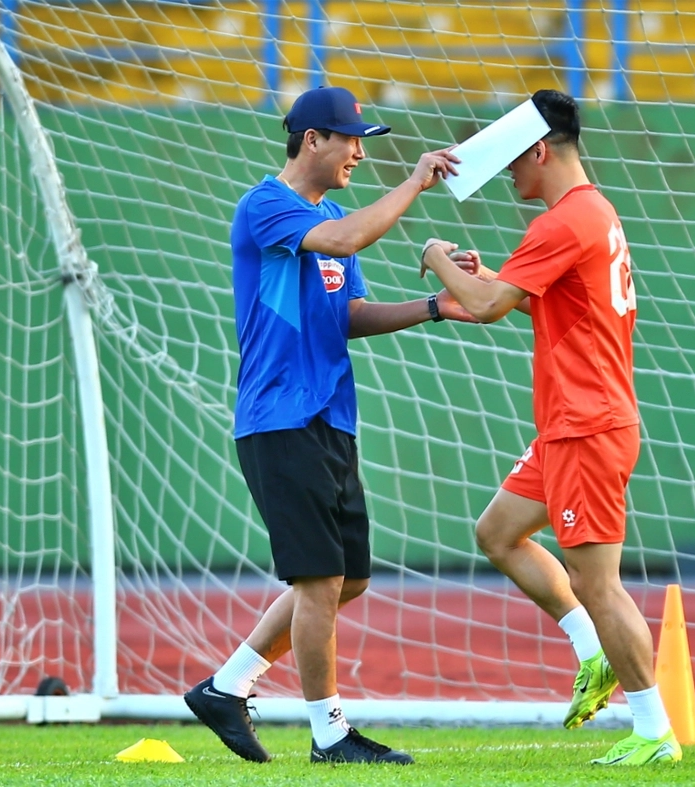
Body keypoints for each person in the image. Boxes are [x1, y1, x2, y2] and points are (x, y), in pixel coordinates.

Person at [183, 85, 478, 765]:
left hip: (330, 415)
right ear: (311, 139)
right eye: (348, 139)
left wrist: (435, 305)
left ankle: (227, 687)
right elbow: (346, 238)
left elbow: (352, 316)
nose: (356, 151)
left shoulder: (336, 216)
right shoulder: (266, 206)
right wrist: (413, 182)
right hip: (278, 414)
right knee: (316, 580)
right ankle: (329, 734)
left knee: (347, 579)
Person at [419, 89, 681, 767]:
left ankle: (655, 732)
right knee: (498, 533)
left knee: (599, 583)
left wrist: (438, 257)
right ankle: (594, 655)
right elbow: (528, 302)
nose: (509, 177)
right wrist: (492, 279)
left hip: (585, 426)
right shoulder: (592, 213)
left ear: (540, 150)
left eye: (512, 162)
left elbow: (483, 307)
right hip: (576, 422)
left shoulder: (562, 222)